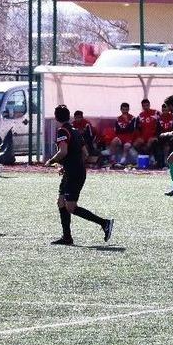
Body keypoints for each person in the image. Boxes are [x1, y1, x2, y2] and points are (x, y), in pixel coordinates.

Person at [45, 105, 114, 246]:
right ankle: (67, 237)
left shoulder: (62, 131)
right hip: (73, 171)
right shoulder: (75, 131)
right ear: (68, 116)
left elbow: (63, 152)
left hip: (74, 174)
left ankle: (104, 223)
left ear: (56, 117)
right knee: (61, 202)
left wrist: (51, 161)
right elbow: (86, 153)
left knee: (70, 207)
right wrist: (70, 166)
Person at [109, 102, 137, 166]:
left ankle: (122, 161)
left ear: (128, 109)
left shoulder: (132, 118)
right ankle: (112, 159)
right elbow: (117, 131)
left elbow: (131, 129)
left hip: (129, 137)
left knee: (126, 146)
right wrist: (125, 128)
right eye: (123, 110)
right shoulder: (118, 119)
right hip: (121, 136)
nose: (125, 111)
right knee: (114, 141)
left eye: (126, 110)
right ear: (121, 110)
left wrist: (126, 122)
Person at [134, 98, 161, 163]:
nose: (146, 107)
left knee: (149, 144)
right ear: (142, 106)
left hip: (153, 135)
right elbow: (137, 128)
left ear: (149, 105)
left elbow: (161, 125)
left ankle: (150, 157)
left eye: (147, 105)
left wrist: (156, 136)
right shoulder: (140, 115)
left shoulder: (156, 113)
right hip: (144, 136)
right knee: (136, 144)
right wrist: (139, 137)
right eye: (144, 106)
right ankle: (143, 157)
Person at [157, 103, 173, 168]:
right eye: (163, 110)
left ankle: (168, 160)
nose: (165, 112)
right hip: (162, 136)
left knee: (170, 143)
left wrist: (171, 134)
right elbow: (158, 129)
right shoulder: (159, 118)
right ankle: (160, 161)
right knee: (157, 143)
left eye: (166, 110)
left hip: (171, 135)